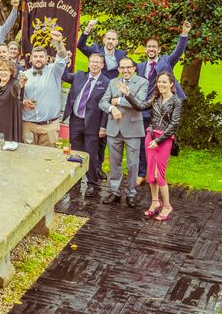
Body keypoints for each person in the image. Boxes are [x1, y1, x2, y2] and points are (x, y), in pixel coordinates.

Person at [119, 72, 182, 221]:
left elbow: (174, 125)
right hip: (150, 136)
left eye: (165, 82)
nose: (161, 84)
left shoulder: (176, 102)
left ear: (172, 84)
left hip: (164, 140)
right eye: (159, 82)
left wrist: (159, 140)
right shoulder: (155, 98)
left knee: (160, 175)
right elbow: (140, 106)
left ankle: (167, 206)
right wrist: (128, 94)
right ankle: (155, 202)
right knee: (150, 176)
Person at [134, 20, 190, 188]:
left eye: (154, 47)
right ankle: (142, 173)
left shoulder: (166, 61)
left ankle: (158, 173)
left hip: (163, 109)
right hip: (146, 109)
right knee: (144, 142)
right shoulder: (140, 66)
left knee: (162, 141)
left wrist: (184, 33)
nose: (151, 49)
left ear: (158, 50)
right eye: (148, 47)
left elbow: (179, 51)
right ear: (145, 50)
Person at [99, 57, 149, 207]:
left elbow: (139, 103)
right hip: (114, 128)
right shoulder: (113, 82)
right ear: (119, 69)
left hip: (133, 129)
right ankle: (114, 192)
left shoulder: (142, 82)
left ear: (134, 68)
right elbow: (102, 102)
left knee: (133, 164)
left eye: (128, 67)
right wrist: (111, 108)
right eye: (122, 68)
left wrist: (119, 100)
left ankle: (131, 193)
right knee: (114, 163)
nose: (125, 70)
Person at [61, 53, 109, 197]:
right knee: (76, 153)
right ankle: (75, 181)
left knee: (91, 154)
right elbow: (63, 76)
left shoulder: (106, 82)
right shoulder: (79, 76)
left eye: (98, 62)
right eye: (92, 61)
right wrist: (64, 62)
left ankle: (92, 183)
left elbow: (106, 108)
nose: (94, 64)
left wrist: (103, 126)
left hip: (93, 124)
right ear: (88, 63)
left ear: (102, 65)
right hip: (75, 121)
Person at [21, 29, 67, 146]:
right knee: (28, 158)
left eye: (41, 56)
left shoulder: (54, 71)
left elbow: (62, 57)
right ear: (31, 59)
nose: (38, 59)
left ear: (47, 58)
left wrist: (59, 43)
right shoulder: (23, 75)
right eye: (35, 56)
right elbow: (17, 96)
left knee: (47, 160)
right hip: (28, 125)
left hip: (49, 126)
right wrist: (24, 101)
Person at [0, 59, 24, 143]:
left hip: (7, 127)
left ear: (11, 72)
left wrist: (21, 85)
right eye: (1, 70)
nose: (3, 72)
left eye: (6, 70)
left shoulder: (14, 83)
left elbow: (17, 89)